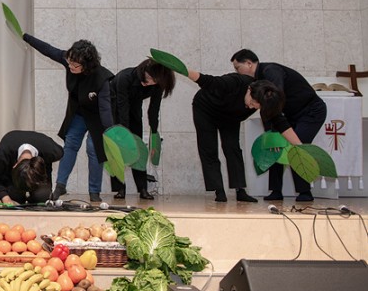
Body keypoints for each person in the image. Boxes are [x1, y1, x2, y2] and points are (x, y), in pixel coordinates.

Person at [23, 34, 113, 202]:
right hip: (78, 112)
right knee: (70, 145)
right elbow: (49, 50)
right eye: (69, 61)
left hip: (97, 117)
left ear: (86, 65)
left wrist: (110, 133)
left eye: (75, 64)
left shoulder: (102, 78)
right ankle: (60, 186)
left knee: (94, 151)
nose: (70, 65)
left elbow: (106, 109)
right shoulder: (70, 60)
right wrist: (27, 37)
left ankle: (94, 192)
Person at [231, 49, 326, 202]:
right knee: (274, 144)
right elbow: (267, 110)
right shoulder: (258, 80)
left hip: (310, 112)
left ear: (249, 64)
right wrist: (271, 134)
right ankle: (275, 190)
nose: (237, 72)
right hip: (291, 115)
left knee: (296, 148)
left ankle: (304, 192)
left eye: (237, 68)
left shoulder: (270, 71)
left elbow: (275, 101)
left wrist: (274, 131)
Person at [184, 67, 258, 202]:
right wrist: (186, 71)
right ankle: (219, 191)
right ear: (249, 91)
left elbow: (273, 117)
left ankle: (240, 190)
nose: (252, 107)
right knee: (209, 148)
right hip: (205, 109)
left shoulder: (264, 98)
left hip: (230, 116)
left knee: (233, 148)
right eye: (252, 102)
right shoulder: (235, 81)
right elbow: (209, 81)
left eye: (256, 106)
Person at [109, 58, 175, 200]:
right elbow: (122, 107)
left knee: (137, 149)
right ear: (144, 71)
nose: (150, 82)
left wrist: (154, 131)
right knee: (117, 149)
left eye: (154, 80)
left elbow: (153, 109)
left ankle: (142, 189)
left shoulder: (157, 84)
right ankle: (120, 188)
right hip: (115, 106)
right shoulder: (124, 78)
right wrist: (124, 134)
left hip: (134, 108)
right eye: (149, 78)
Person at [0, 130, 64, 204]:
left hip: (39, 174)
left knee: (42, 197)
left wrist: (43, 167)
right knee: (15, 197)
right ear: (15, 165)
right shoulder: (3, 153)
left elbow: (62, 152)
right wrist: (6, 198)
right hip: (12, 178)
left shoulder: (53, 151)